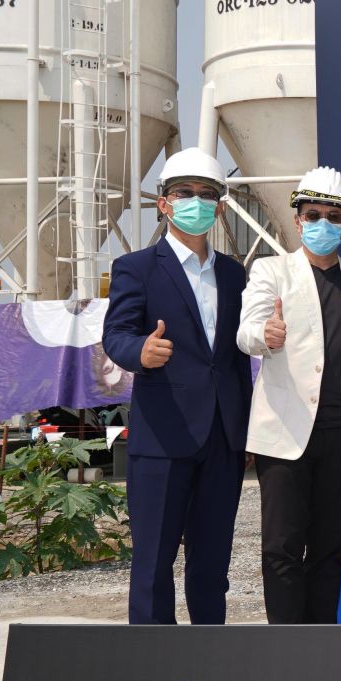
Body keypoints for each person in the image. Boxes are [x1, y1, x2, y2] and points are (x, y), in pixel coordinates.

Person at [102, 147, 251, 625]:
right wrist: (140, 351)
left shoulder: (234, 274)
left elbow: (235, 356)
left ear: (220, 208)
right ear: (164, 203)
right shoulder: (137, 267)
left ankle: (208, 654)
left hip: (222, 439)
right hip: (163, 437)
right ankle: (153, 659)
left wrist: (245, 432)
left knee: (212, 565)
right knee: (153, 565)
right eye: (184, 192)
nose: (196, 202)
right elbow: (116, 335)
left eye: (207, 194)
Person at [237, 166, 341, 624]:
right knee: (281, 548)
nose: (323, 224)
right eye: (313, 215)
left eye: (334, 216)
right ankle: (286, 647)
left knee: (330, 548)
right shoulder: (271, 270)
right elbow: (246, 330)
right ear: (297, 220)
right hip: (284, 435)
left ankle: (321, 646)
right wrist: (265, 334)